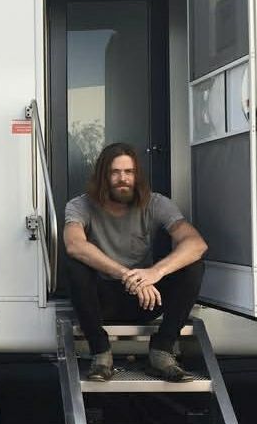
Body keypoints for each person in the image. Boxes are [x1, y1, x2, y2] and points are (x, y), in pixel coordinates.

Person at [63, 142, 207, 383]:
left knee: (193, 266)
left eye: (129, 172)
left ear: (136, 175)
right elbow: (74, 244)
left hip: (146, 301)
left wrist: (155, 273)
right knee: (74, 265)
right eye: (115, 172)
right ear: (103, 176)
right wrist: (127, 275)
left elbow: (196, 243)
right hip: (102, 302)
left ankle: (162, 351)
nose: (123, 179)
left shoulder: (156, 203)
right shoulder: (80, 205)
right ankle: (100, 353)